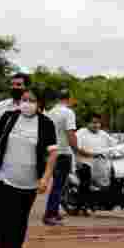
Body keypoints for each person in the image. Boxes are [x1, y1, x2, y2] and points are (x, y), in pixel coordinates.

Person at [0, 88, 58, 248]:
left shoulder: (46, 124)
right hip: (3, 177)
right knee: (6, 216)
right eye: (24, 99)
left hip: (30, 181)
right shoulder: (9, 117)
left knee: (21, 218)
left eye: (31, 100)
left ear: (39, 104)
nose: (27, 103)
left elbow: (53, 153)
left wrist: (46, 177)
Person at [43, 90, 78, 225]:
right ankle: (50, 214)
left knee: (59, 184)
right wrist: (77, 150)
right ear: (68, 99)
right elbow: (70, 134)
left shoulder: (51, 112)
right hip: (63, 153)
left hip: (52, 152)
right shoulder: (68, 113)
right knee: (59, 185)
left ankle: (55, 212)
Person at [75, 113, 116, 201]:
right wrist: (91, 154)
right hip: (84, 162)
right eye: (93, 123)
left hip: (101, 163)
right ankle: (82, 201)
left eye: (98, 123)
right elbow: (77, 148)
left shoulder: (103, 134)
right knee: (85, 176)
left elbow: (114, 144)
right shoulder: (81, 132)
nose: (96, 125)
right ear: (87, 123)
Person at [0, 72, 30, 143]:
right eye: (12, 84)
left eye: (18, 85)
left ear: (27, 87)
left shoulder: (33, 108)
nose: (14, 87)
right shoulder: (0, 106)